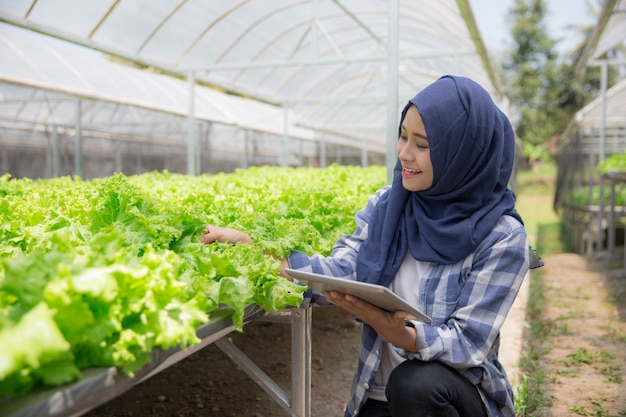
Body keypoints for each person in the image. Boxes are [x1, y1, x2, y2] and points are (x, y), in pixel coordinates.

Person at [201, 75, 535, 417]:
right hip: (378, 395)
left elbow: (468, 344)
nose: (404, 153)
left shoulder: (501, 235)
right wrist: (252, 249)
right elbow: (343, 270)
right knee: (401, 388)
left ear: (463, 154)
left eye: (422, 144)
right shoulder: (389, 206)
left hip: (453, 399)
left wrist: (401, 334)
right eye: (403, 136)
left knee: (415, 384)